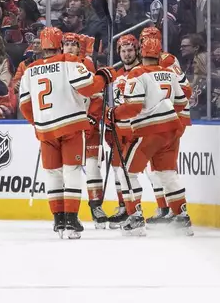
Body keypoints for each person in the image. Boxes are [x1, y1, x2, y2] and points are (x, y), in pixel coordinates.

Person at [19, 26, 104, 239]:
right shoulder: (69, 62)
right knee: (71, 171)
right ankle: (71, 219)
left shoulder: (29, 70)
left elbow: (25, 105)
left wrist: (38, 123)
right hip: (71, 126)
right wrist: (105, 77)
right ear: (59, 44)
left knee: (53, 174)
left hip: (46, 131)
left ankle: (58, 221)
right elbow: (88, 88)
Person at [105, 37, 192, 236]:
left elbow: (133, 107)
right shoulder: (169, 73)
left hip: (148, 130)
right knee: (167, 173)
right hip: (171, 129)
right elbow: (180, 102)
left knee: (126, 172)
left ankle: (135, 217)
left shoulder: (137, 73)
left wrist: (113, 114)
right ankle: (182, 216)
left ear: (141, 53)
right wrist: (164, 108)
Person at [137, 26, 193, 226]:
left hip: (166, 120)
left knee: (162, 168)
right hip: (167, 119)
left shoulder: (166, 61)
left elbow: (185, 90)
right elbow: (185, 90)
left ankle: (171, 207)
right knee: (157, 168)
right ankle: (166, 207)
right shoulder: (162, 62)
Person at [61, 32, 108, 229]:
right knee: (67, 170)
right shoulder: (58, 67)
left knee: (92, 166)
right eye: (67, 44)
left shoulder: (86, 66)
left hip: (88, 125)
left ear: (80, 48)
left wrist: (91, 119)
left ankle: (95, 206)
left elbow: (97, 96)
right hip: (67, 126)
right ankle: (69, 212)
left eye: (74, 45)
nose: (70, 48)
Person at [103, 34, 142, 229]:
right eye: (123, 51)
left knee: (146, 173)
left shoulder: (143, 72)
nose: (126, 54)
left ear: (137, 51)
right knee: (119, 171)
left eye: (130, 50)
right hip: (120, 128)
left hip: (138, 128)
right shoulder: (117, 75)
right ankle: (125, 208)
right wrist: (109, 125)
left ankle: (163, 208)